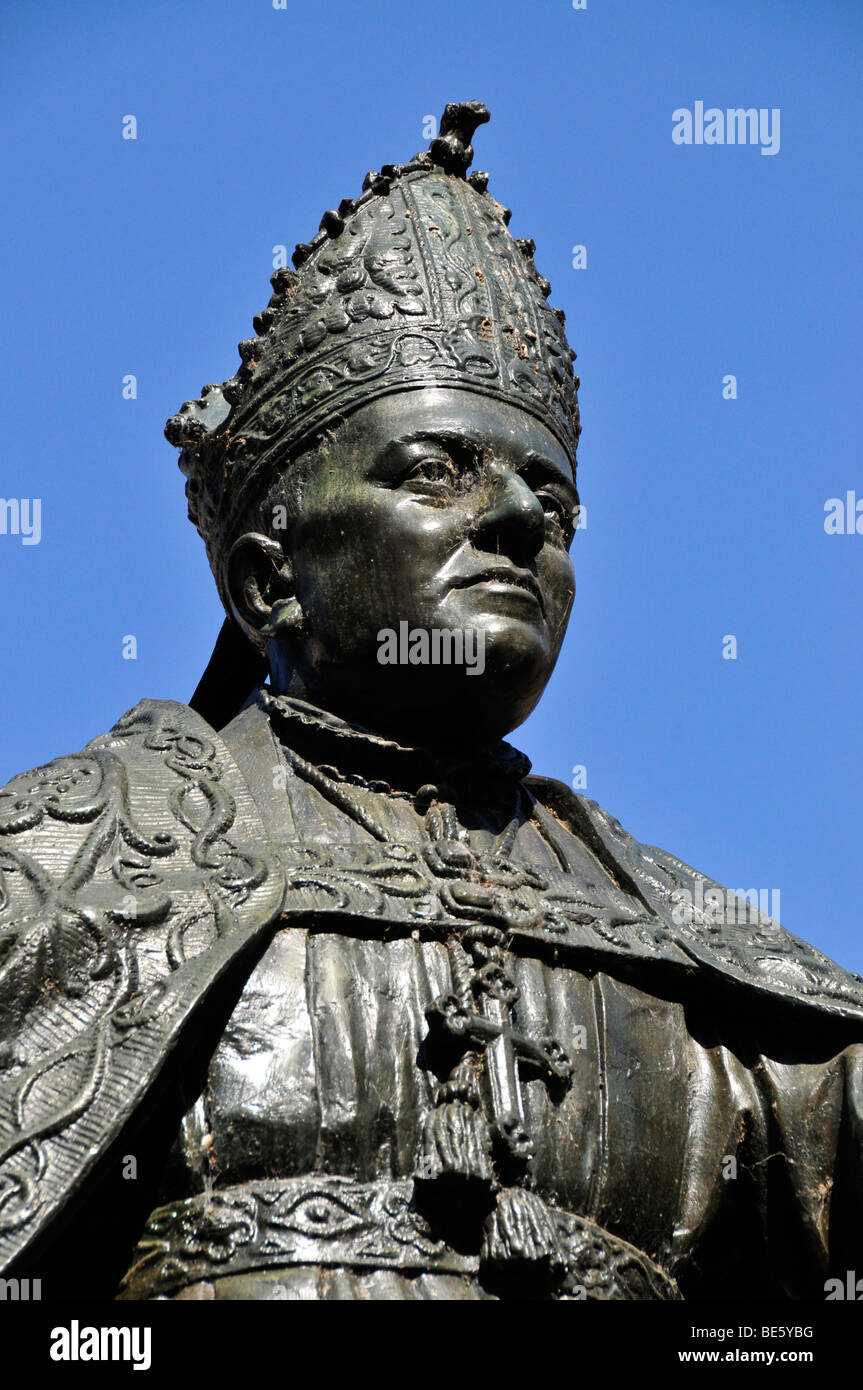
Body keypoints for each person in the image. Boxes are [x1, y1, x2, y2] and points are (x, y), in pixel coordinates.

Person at [1, 103, 861, 1302]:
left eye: (551, 507)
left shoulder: (708, 965)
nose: (519, 521)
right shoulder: (61, 861)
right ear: (266, 580)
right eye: (435, 471)